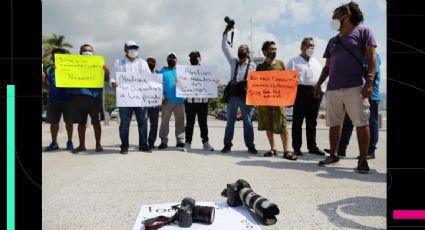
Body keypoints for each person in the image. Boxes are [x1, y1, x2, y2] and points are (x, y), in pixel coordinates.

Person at [314, 2, 377, 173]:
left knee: (361, 122)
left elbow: (371, 60)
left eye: (335, 15)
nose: (333, 19)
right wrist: (319, 84)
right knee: (334, 123)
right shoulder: (333, 41)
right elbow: (327, 66)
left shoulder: (365, 32)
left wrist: (370, 82)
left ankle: (363, 159)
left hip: (356, 86)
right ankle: (334, 155)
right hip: (333, 88)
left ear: (347, 15)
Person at [326, 52, 381, 159]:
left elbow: (373, 73)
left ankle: (370, 151)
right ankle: (341, 149)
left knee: (371, 123)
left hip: (371, 94)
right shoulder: (356, 53)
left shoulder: (373, 55)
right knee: (348, 121)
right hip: (355, 93)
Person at [256, 41, 297, 160]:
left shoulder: (281, 64)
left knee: (282, 125)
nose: (274, 51)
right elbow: (256, 84)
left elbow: (286, 81)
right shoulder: (260, 67)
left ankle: (286, 151)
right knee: (268, 125)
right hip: (265, 102)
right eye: (271, 49)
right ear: (265, 52)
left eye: (275, 49)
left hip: (278, 102)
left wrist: (292, 83)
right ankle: (273, 149)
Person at [287, 37, 326, 156]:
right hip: (300, 92)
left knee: (312, 121)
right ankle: (297, 147)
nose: (311, 48)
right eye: (309, 46)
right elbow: (288, 80)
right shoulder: (293, 61)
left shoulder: (316, 62)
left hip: (315, 92)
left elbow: (322, 78)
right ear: (302, 47)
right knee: (297, 121)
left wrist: (322, 90)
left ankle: (312, 146)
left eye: (313, 46)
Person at [221, 25, 257, 154]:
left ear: (247, 53)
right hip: (233, 95)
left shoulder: (253, 65)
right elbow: (225, 48)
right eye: (239, 49)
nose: (240, 51)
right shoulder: (233, 62)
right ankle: (227, 144)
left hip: (246, 96)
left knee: (247, 122)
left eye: (242, 50)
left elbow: (258, 82)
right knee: (230, 121)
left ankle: (250, 145)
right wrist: (226, 32)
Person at [110, 41, 151, 154]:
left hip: (141, 98)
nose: (134, 50)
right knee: (124, 123)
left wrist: (156, 85)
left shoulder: (143, 63)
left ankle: (143, 145)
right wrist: (113, 83)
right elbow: (112, 77)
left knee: (143, 122)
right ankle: (124, 146)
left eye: (135, 48)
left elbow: (149, 79)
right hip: (125, 98)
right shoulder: (119, 62)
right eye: (131, 48)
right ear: (125, 50)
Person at [71, 44, 110, 153]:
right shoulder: (73, 64)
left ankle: (98, 144)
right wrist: (58, 69)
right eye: (85, 50)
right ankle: (81, 145)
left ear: (93, 53)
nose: (87, 52)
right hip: (78, 97)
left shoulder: (99, 64)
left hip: (95, 98)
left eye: (90, 51)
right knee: (81, 123)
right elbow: (65, 76)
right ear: (80, 52)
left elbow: (106, 80)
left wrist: (106, 71)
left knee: (96, 122)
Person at [181, 51, 214, 152]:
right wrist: (179, 82)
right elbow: (182, 85)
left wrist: (214, 82)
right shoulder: (185, 71)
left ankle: (205, 143)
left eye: (195, 57)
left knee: (203, 123)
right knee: (189, 123)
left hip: (203, 101)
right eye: (191, 57)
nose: (193, 59)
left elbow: (212, 85)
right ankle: (188, 143)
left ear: (200, 58)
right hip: (190, 101)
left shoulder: (207, 71)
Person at [43, 48, 74, 151]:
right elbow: (46, 84)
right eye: (55, 56)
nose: (58, 58)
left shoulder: (71, 67)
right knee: (54, 122)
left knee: (69, 122)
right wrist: (44, 80)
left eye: (60, 56)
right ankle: (54, 142)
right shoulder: (47, 68)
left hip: (68, 99)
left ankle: (70, 142)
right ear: (53, 57)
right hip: (53, 99)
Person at [158, 52, 185, 149]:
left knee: (180, 121)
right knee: (164, 121)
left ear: (176, 60)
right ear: (167, 59)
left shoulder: (182, 71)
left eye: (173, 58)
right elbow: (157, 86)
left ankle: (180, 141)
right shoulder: (161, 71)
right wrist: (161, 96)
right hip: (166, 100)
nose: (171, 59)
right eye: (170, 57)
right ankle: (163, 141)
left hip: (180, 100)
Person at [146, 56, 161, 149]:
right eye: (149, 61)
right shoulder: (140, 74)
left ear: (155, 64)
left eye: (153, 61)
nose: (151, 63)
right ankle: (143, 142)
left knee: (154, 124)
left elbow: (161, 89)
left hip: (154, 103)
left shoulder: (158, 75)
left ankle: (151, 142)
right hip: (143, 103)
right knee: (143, 124)